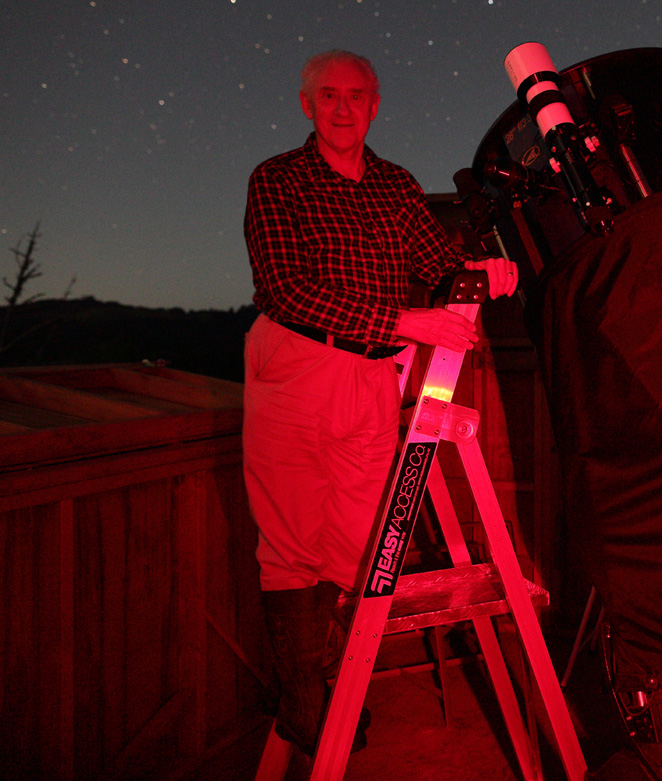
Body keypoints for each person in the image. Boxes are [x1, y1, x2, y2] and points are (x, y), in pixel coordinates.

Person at [242, 49, 518, 756]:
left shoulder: (395, 185)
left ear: (374, 105)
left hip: (372, 377)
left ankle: (317, 689)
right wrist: (408, 323)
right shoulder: (277, 179)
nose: (342, 107)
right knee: (291, 546)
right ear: (308, 105)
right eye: (328, 95)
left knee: (358, 548)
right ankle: (308, 703)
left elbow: (437, 266)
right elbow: (287, 289)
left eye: (356, 95)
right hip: (298, 364)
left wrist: (485, 272)